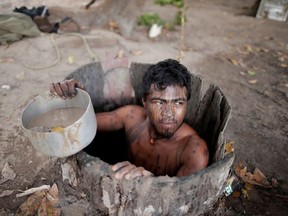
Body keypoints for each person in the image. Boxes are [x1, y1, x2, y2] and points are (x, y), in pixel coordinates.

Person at [50, 59, 209, 180]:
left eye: (178, 103)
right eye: (159, 102)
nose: (169, 113)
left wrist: (150, 182)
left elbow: (179, 200)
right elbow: (84, 123)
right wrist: (75, 97)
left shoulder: (193, 151)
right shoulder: (131, 116)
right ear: (144, 102)